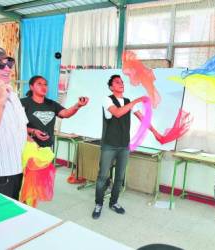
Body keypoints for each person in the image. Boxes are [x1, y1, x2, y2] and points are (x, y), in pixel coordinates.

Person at [92, 74, 157, 219]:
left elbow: (142, 119)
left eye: (122, 82)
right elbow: (118, 113)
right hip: (109, 145)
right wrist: (136, 101)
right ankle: (98, 204)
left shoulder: (128, 102)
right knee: (103, 176)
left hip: (124, 146)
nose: (121, 84)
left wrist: (156, 133)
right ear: (111, 87)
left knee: (120, 177)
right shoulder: (107, 99)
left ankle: (113, 202)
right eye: (117, 82)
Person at [20, 75, 89, 148]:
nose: (43, 87)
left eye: (45, 84)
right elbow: (16, 126)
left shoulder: (51, 104)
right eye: (39, 84)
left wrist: (78, 105)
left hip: (47, 148)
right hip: (28, 147)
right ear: (31, 87)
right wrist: (33, 131)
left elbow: (66, 113)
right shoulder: (22, 103)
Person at [0, 47, 28, 200]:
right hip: (2, 171)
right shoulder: (2, 96)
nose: (7, 68)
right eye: (0, 64)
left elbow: (21, 126)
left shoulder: (13, 93)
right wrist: (1, 100)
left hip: (17, 166)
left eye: (9, 63)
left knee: (14, 208)